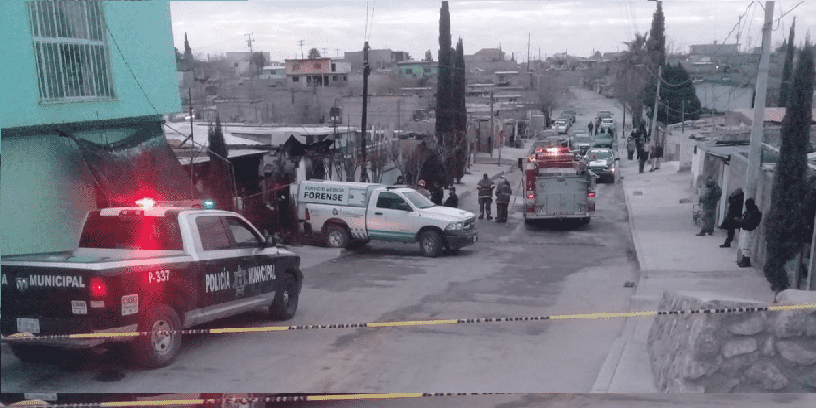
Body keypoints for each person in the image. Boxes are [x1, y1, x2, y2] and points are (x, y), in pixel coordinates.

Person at [737, 198, 762, 267]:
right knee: (743, 245)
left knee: (746, 246)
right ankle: (743, 260)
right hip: (746, 229)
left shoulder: (753, 212)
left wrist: (739, 221)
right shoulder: (750, 210)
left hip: (749, 230)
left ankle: (746, 262)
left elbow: (748, 222)